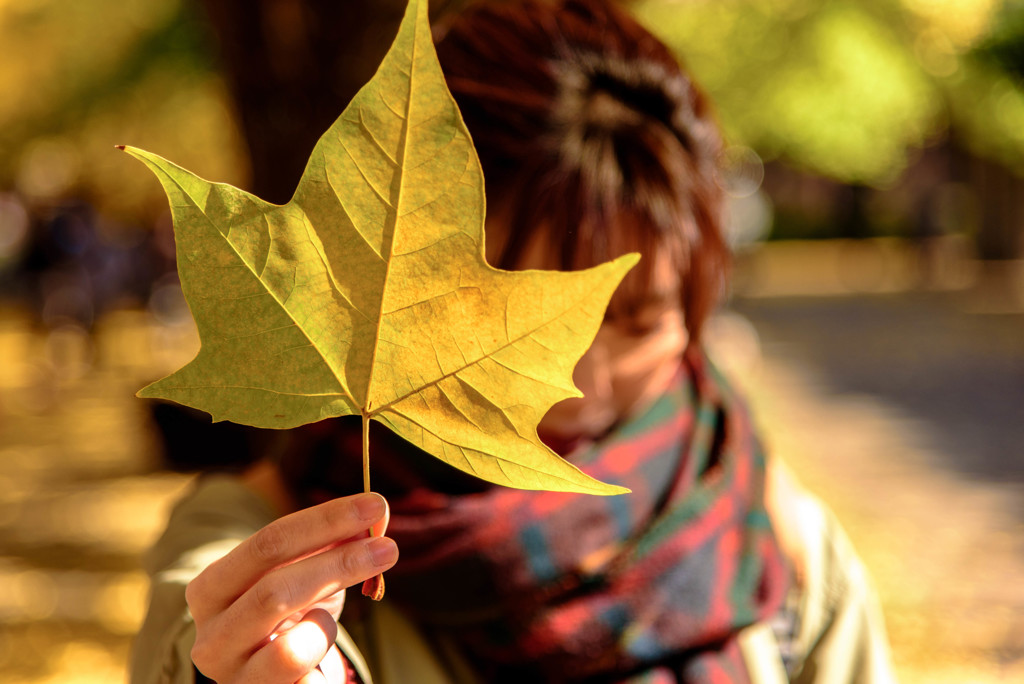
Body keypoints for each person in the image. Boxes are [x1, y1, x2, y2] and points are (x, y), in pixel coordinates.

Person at [131, 1, 895, 682]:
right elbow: (186, 638)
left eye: (637, 319)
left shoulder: (787, 550)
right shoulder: (264, 551)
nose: (585, 383)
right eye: (514, 319)